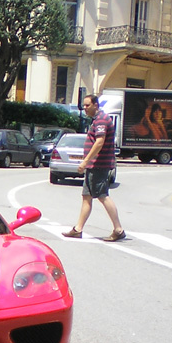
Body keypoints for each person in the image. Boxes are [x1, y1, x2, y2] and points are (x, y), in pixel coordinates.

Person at [63, 94, 125, 242]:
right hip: (94, 165)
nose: (85, 108)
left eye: (87, 105)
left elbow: (99, 142)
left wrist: (85, 161)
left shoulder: (102, 120)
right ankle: (78, 229)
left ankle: (118, 229)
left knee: (103, 196)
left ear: (96, 105)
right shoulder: (97, 120)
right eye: (84, 105)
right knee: (86, 197)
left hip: (98, 165)